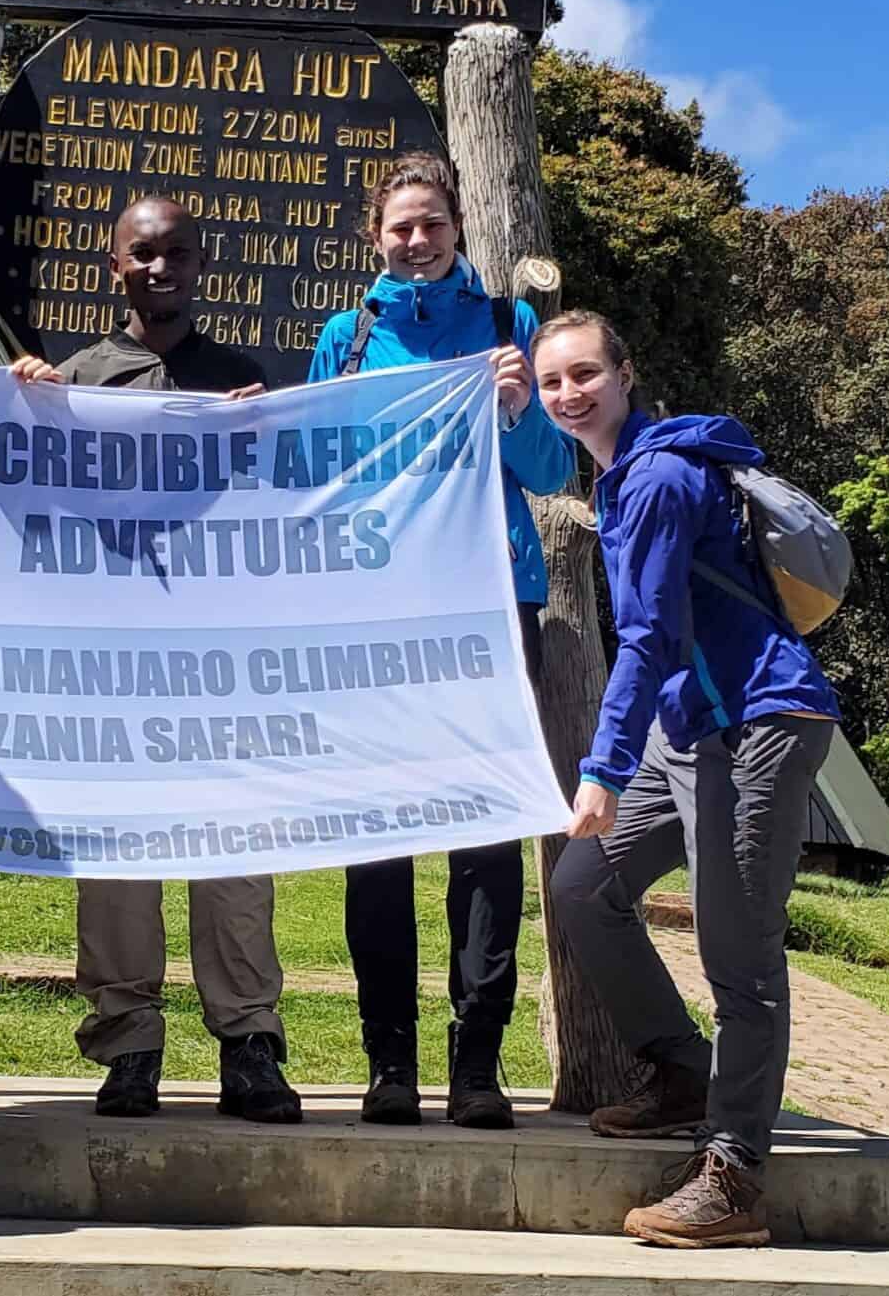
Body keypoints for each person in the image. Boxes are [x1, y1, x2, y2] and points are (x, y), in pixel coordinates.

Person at [530, 309, 841, 1250]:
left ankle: (735, 1173)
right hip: (693, 726)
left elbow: (650, 636)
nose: (569, 393)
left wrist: (603, 768)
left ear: (625, 374)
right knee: (583, 886)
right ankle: (679, 1070)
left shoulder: (660, 476)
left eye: (586, 373)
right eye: (552, 382)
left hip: (760, 722)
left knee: (738, 950)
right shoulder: (622, 477)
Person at [7, 197, 301, 1125]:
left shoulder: (243, 380)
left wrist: (264, 439)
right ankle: (128, 1042)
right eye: (143, 252)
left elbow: (277, 513)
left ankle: (249, 1042)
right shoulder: (76, 379)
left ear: (200, 264)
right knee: (117, 858)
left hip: (217, 657)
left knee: (233, 852)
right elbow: (26, 494)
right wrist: (23, 408)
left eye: (177, 252)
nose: (160, 267)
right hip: (112, 659)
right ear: (116, 265)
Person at [306, 153, 573, 1129]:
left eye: (432, 223)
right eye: (400, 226)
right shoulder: (345, 339)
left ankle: (477, 1066)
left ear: (458, 226)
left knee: (484, 840)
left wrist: (516, 409)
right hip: (377, 616)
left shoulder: (510, 324)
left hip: (491, 609)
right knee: (377, 843)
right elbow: (311, 467)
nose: (416, 240)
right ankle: (389, 1064)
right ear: (374, 236)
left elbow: (551, 469)